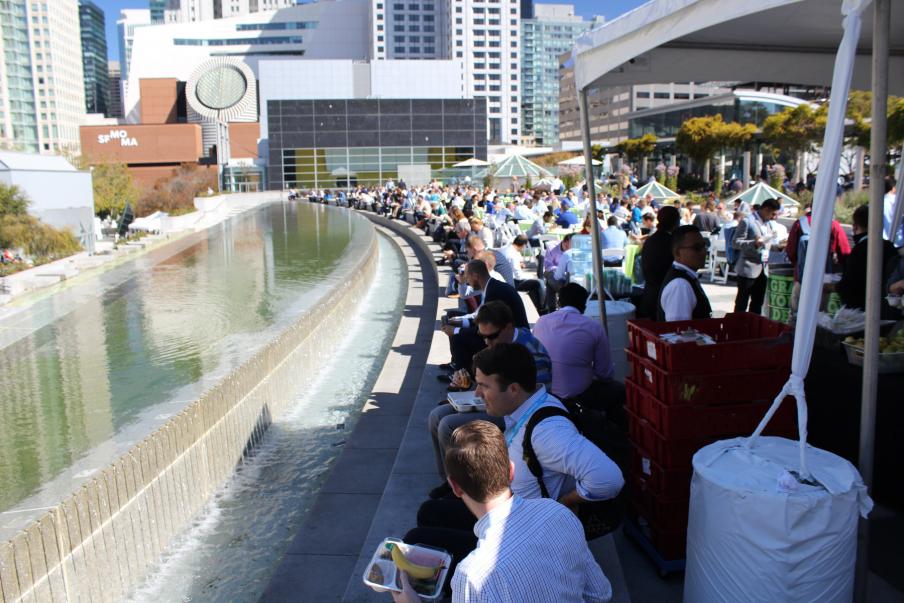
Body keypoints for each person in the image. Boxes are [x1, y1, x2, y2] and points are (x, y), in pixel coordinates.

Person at [390, 421, 613, 603]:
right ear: (511, 471)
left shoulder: (472, 574)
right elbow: (600, 594)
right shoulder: (558, 513)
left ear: (455, 487)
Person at [430, 301, 551, 497]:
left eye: (492, 336)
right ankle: (450, 480)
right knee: (436, 415)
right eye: (483, 337)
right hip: (501, 403)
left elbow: (531, 396)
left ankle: (465, 489)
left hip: (517, 413)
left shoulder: (530, 351)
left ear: (508, 327)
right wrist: (470, 387)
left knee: (448, 425)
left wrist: (481, 398)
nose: (487, 343)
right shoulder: (500, 344)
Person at [533, 284, 624, 425]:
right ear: (584, 306)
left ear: (559, 302)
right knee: (619, 390)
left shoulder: (541, 322)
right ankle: (615, 435)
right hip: (578, 396)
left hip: (545, 394)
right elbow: (605, 374)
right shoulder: (593, 327)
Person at [441, 260, 529, 373]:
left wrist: (456, 330)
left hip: (512, 341)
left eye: (467, 276)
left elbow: (486, 328)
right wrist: (461, 323)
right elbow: (482, 319)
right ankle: (457, 367)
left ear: (475, 276)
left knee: (460, 335)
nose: (466, 280)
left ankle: (462, 376)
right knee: (455, 322)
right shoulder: (490, 285)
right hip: (501, 332)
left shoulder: (494, 292)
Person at [785, 203, 850, 312]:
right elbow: (844, 252)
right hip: (823, 281)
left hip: (801, 278)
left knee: (797, 315)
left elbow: (791, 251)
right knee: (819, 316)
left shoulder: (800, 223)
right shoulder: (833, 224)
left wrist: (799, 265)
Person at [837, 205, 898, 312]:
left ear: (855, 226)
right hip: (889, 309)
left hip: (862, 311)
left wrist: (834, 287)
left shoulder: (859, 251)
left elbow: (850, 285)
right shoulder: (889, 247)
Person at [732, 198, 784, 314]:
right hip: (748, 267)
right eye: (773, 214)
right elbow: (735, 243)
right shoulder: (748, 221)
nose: (774, 217)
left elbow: (767, 244)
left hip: (763, 268)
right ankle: (737, 327)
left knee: (758, 303)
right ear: (766, 209)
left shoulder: (769, 224)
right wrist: (754, 244)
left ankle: (753, 328)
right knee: (742, 302)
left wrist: (779, 247)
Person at [658, 225, 712, 321]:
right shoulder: (680, 285)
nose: (704, 252)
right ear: (678, 253)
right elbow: (678, 331)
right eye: (697, 247)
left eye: (704, 245)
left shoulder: (684, 278)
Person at [640, 206, 680, 318]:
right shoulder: (672, 242)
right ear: (676, 222)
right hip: (665, 296)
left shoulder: (650, 240)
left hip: (649, 294)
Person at [882, 176, 903, 248]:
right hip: (899, 243)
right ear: (894, 188)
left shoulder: (876, 204)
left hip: (882, 242)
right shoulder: (899, 202)